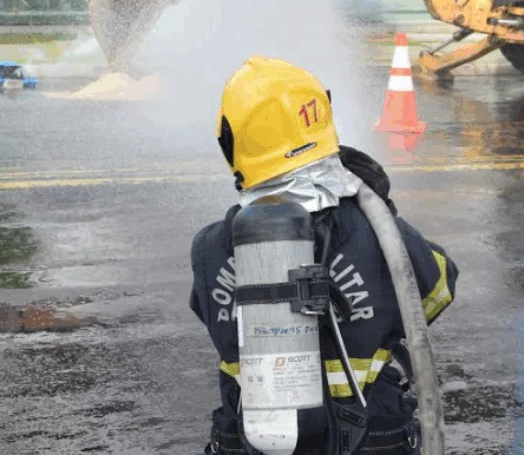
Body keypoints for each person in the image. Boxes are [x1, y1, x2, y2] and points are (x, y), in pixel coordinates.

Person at [189, 56, 460, 454]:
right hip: (369, 439)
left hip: (251, 440)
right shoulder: (377, 231)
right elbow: (437, 289)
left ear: (234, 142)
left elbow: (211, 315)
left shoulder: (211, 246)